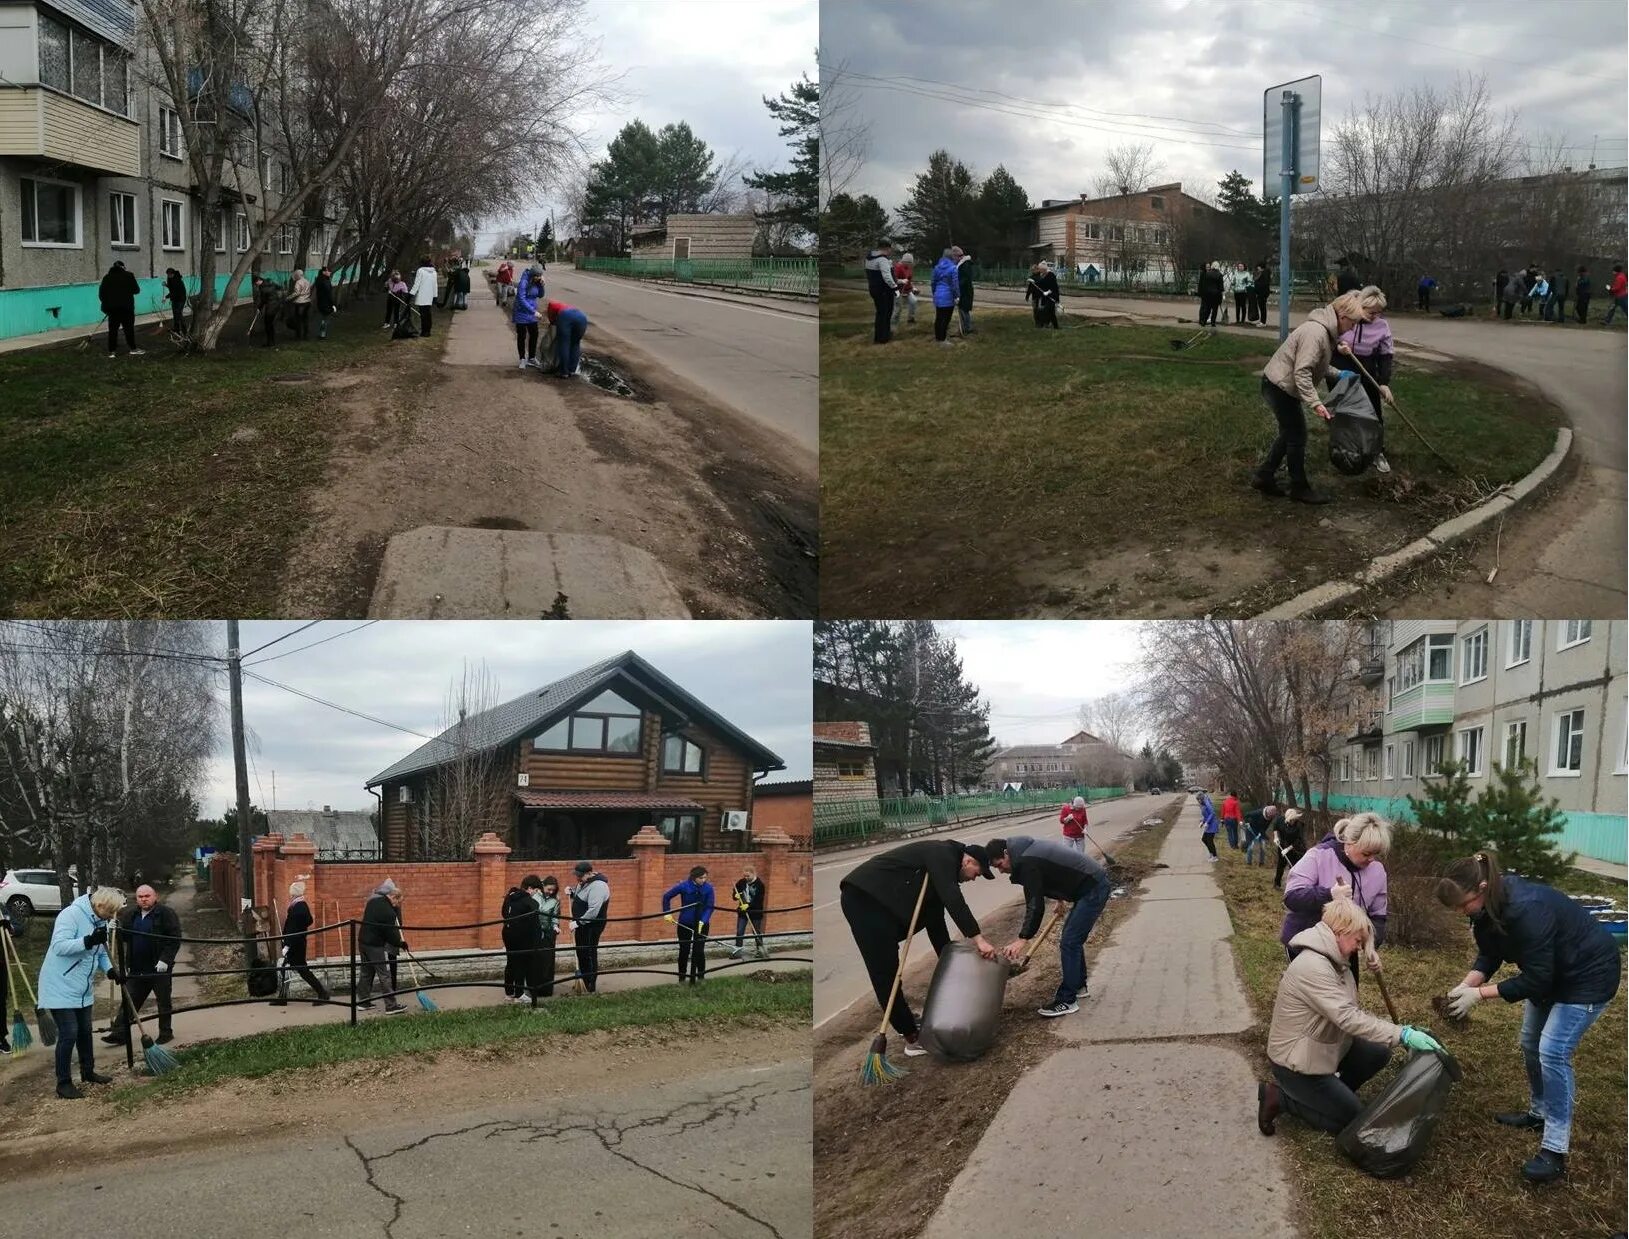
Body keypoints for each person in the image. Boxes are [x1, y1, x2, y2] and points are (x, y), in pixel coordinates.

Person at [1435, 851, 1621, 1183]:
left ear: (1482, 887)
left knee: (1553, 1051)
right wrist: (1464, 985)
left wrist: (1479, 995)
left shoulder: (1526, 909)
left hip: (1587, 976)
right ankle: (1539, 1113)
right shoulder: (1486, 908)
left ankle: (1554, 1151)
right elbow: (1490, 953)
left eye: (1464, 905)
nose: (1463, 912)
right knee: (1530, 1043)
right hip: (1552, 974)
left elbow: (1536, 979)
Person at [1257, 897, 1443, 1138]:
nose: (1359, 947)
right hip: (1296, 1064)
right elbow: (1348, 1018)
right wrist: (1401, 1034)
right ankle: (1280, 1097)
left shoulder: (1333, 959)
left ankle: (1331, 1096)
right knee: (1353, 1122)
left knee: (1378, 1051)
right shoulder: (1314, 966)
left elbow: (1349, 1011)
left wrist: (1370, 950)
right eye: (1358, 940)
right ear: (1341, 931)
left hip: (1324, 1047)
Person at [838, 839, 998, 1055]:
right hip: (865, 899)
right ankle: (911, 1036)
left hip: (883, 903)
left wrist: (954, 966)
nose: (975, 877)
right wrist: (978, 938)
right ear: (968, 861)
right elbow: (953, 899)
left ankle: (907, 1022)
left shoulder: (936, 874)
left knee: (921, 926)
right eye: (977, 872)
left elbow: (937, 926)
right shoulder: (942, 854)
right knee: (885, 971)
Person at [1252, 287, 1382, 504]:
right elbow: (1302, 371)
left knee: (1289, 434)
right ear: (1342, 316)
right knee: (1297, 436)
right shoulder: (1316, 333)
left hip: (1281, 385)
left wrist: (1340, 374)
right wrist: (1315, 403)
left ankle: (1263, 476)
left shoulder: (1326, 332)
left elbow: (1317, 365)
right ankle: (1299, 488)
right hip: (1279, 386)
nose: (1353, 328)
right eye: (1353, 323)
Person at [988, 835, 1110, 1018]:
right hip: (1088, 884)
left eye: (999, 864)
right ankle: (1078, 986)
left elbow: (1035, 903)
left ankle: (1067, 1000)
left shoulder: (1026, 861)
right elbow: (1050, 871)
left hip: (1092, 887)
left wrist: (1023, 939)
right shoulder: (1025, 851)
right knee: (1071, 940)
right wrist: (1060, 898)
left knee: (1070, 942)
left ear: (1006, 853)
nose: (1001, 870)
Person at [39, 887, 124, 1099]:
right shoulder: (71, 915)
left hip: (82, 987)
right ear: (100, 905)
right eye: (110, 911)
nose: (112, 916)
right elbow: (59, 946)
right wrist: (87, 940)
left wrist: (111, 970)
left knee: (85, 1030)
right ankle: (64, 1082)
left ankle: (88, 1072)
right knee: (69, 1032)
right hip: (60, 984)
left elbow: (101, 949)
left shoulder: (99, 919)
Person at [1282, 813, 1390, 979]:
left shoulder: (1377, 872)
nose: (1371, 860)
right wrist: (1329, 894)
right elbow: (1292, 897)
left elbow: (1377, 917)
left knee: (1347, 996)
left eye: (1376, 854)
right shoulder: (1319, 855)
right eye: (1366, 854)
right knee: (1318, 1000)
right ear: (1349, 842)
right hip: (1308, 945)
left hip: (1346, 948)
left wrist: (1370, 946)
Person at [105, 884, 181, 1046]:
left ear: (155, 897)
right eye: (140, 897)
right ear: (137, 899)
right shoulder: (131, 914)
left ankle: (166, 1033)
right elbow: (124, 937)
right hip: (137, 968)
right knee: (130, 1001)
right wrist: (115, 929)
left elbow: (174, 939)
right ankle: (120, 1033)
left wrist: (165, 960)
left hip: (158, 968)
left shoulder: (166, 914)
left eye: (147, 896)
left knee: (163, 1001)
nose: (144, 899)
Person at [1334, 286, 1396, 474]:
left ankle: (1376, 451)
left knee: (1373, 411)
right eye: (1371, 312)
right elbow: (1330, 337)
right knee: (1344, 410)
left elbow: (1386, 355)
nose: (1375, 316)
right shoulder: (1346, 317)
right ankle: (1345, 449)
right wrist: (1339, 347)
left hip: (1367, 369)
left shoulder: (1382, 326)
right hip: (1342, 365)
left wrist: (1384, 382)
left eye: (1379, 313)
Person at [274, 880, 331, 1003]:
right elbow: (309, 920)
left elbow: (294, 928)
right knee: (286, 967)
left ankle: (322, 993)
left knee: (303, 970)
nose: (290, 895)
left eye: (291, 892)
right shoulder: (300, 904)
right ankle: (282, 997)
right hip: (297, 942)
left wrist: (287, 945)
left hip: (295, 944)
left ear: (294, 893)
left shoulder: (298, 907)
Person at [358, 879, 407, 1014]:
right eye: (398, 902)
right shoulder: (388, 912)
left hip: (363, 941)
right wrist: (401, 944)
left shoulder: (372, 901)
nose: (397, 905)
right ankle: (391, 1006)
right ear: (393, 897)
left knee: (366, 972)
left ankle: (363, 1001)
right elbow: (391, 935)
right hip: (374, 945)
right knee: (384, 974)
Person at [661, 865, 716, 984]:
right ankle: (682, 978)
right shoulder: (684, 886)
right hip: (685, 922)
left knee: (699, 950)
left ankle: (700, 976)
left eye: (705, 877)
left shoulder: (709, 888)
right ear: (694, 877)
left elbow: (710, 906)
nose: (703, 880)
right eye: (701, 878)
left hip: (702, 923)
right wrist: (667, 913)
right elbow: (666, 897)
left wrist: (704, 920)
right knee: (684, 950)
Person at [568, 861, 610, 992]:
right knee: (582, 952)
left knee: (589, 953)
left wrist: (578, 922)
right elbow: (582, 897)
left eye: (580, 875)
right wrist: (572, 893)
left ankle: (590, 984)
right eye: (577, 875)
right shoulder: (585, 882)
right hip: (583, 926)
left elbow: (593, 910)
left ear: (589, 873)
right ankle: (584, 982)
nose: (578, 878)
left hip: (591, 926)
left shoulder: (598, 886)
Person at [501, 876, 543, 1002]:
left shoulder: (509, 896)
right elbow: (535, 913)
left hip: (508, 933)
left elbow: (503, 913)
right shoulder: (529, 901)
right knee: (521, 963)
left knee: (511, 962)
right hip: (523, 936)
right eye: (535, 890)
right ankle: (519, 994)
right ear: (530, 888)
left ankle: (509, 993)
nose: (535, 893)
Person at [100, 260, 143, 358]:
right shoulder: (129, 275)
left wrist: (107, 306)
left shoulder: (107, 278)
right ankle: (133, 349)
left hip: (112, 310)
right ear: (123, 267)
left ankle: (112, 352)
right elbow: (136, 290)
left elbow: (102, 294)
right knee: (129, 329)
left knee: (113, 330)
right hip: (126, 308)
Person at [530, 876, 560, 1001]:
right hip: (534, 932)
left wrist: (555, 926)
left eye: (553, 890)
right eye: (549, 889)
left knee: (547, 961)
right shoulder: (535, 896)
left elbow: (555, 916)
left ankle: (546, 989)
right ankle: (533, 988)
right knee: (535, 960)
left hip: (548, 933)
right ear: (543, 887)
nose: (551, 892)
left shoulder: (555, 901)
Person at [730, 865, 768, 961]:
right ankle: (737, 951)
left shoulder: (760, 885)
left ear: (753, 874)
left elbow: (759, 899)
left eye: (748, 876)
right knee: (739, 931)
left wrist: (749, 905)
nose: (746, 878)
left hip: (755, 911)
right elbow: (734, 893)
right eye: (745, 876)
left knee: (756, 932)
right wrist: (736, 895)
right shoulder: (741, 882)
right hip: (743, 912)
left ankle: (760, 951)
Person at [864, 237, 897, 344]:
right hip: (884, 291)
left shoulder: (869, 258)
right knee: (886, 313)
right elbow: (887, 277)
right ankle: (883, 337)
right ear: (887, 248)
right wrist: (894, 286)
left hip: (874, 289)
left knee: (880, 313)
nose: (891, 250)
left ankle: (880, 335)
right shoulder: (882, 260)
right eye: (890, 248)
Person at [545, 300, 589, 377]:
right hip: (582, 318)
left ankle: (563, 372)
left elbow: (552, 320)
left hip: (566, 316)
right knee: (575, 344)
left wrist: (553, 325)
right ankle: (572, 370)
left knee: (564, 344)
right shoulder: (566, 306)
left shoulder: (551, 305)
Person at [512, 265, 544, 370]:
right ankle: (522, 359)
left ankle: (532, 358)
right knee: (522, 336)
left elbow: (540, 295)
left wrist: (542, 285)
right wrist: (534, 312)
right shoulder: (523, 282)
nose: (539, 278)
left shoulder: (536, 282)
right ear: (532, 275)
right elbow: (521, 299)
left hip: (531, 313)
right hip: (521, 312)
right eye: (538, 276)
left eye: (540, 276)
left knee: (534, 334)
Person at [1270, 808, 1309, 891]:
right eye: (1291, 820)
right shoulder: (1280, 820)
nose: (1292, 822)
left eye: (1294, 820)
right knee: (1281, 864)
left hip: (1295, 849)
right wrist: (1276, 837)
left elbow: (1299, 840)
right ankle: (1277, 884)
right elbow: (1275, 827)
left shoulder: (1299, 826)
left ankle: (1294, 887)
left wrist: (1288, 849)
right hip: (1282, 845)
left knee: (1294, 867)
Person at [930, 248, 960, 349]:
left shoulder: (937, 267)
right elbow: (955, 285)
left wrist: (935, 293)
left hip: (938, 295)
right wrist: (957, 296)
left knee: (939, 317)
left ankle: (938, 337)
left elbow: (933, 282)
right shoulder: (953, 268)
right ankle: (943, 340)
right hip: (948, 296)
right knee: (946, 318)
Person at [409, 256, 438, 337]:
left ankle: (424, 331)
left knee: (423, 315)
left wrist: (411, 294)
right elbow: (435, 285)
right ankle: (428, 331)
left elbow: (416, 284)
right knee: (428, 314)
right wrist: (435, 296)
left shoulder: (420, 271)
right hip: (430, 296)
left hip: (422, 296)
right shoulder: (434, 272)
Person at [1026, 263, 1061, 329]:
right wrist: (1033, 282)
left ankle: (1043, 325)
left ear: (1043, 269)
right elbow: (1041, 283)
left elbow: (1053, 286)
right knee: (1051, 313)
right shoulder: (1044, 275)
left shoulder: (1051, 275)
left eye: (1040, 269)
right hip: (1047, 297)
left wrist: (1048, 292)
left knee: (1045, 311)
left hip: (1052, 297)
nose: (1040, 271)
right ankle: (1055, 327)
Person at [254, 275, 282, 348]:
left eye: (256, 283)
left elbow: (263, 300)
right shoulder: (270, 283)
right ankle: (271, 341)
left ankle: (270, 342)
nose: (256, 285)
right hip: (276, 305)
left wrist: (259, 308)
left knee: (268, 325)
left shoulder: (263, 288)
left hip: (271, 307)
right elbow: (279, 287)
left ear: (259, 281)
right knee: (270, 324)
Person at [891, 250, 917, 328]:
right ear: (904, 261)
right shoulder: (898, 267)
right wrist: (901, 281)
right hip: (898, 290)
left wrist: (913, 288)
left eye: (911, 263)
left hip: (907, 290)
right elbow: (893, 279)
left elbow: (909, 280)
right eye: (909, 263)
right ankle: (893, 325)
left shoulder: (909, 268)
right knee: (898, 308)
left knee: (914, 301)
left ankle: (910, 318)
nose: (910, 265)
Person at [1196, 262, 1224, 332]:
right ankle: (1213, 322)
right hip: (1216, 295)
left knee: (1207, 308)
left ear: (1212, 266)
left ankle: (1204, 321)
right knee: (1215, 309)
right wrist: (1222, 295)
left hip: (1208, 294)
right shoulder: (1220, 275)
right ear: (1218, 267)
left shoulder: (1207, 274)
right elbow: (1221, 287)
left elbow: (1204, 284)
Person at [953, 246, 975, 335]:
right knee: (962, 309)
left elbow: (965, 279)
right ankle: (964, 327)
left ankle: (967, 328)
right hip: (963, 291)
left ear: (958, 256)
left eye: (954, 257)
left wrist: (957, 285)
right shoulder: (962, 264)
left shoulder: (965, 265)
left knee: (964, 310)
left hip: (965, 291)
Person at [288, 268, 313, 340]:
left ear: (298, 275)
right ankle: (306, 335)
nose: (295, 277)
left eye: (295, 275)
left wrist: (288, 298)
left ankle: (298, 336)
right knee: (305, 319)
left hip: (300, 303)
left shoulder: (298, 282)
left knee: (298, 320)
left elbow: (297, 293)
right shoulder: (307, 281)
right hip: (307, 302)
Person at [164, 267, 188, 336]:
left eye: (170, 274)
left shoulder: (177, 280)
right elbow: (171, 288)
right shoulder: (170, 279)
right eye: (168, 275)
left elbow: (175, 291)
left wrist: (166, 297)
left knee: (179, 314)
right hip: (175, 299)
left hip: (181, 299)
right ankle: (176, 329)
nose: (168, 276)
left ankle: (184, 331)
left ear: (173, 274)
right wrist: (166, 285)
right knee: (175, 314)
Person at [314, 267, 336, 340]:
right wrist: (332, 304)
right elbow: (328, 294)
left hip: (321, 302)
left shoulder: (319, 280)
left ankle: (321, 333)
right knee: (325, 319)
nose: (330, 272)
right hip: (325, 303)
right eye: (328, 271)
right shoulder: (325, 281)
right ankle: (322, 334)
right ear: (323, 272)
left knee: (323, 318)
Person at [1198, 790, 1220, 861]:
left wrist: (1207, 822)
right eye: (1197, 799)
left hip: (1212, 824)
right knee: (1204, 839)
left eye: (1199, 799)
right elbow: (1206, 815)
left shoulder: (1207, 803)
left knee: (1210, 840)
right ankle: (1211, 853)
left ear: (1201, 798)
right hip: (1208, 825)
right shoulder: (1203, 804)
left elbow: (1212, 813)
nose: (1198, 801)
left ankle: (1215, 856)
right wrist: (1202, 822)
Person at [1253, 261, 1272, 325]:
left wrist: (1256, 285)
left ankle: (1263, 322)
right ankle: (1262, 321)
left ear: (1261, 267)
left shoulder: (1264, 274)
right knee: (1262, 307)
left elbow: (1264, 283)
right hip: (1261, 292)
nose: (1257, 269)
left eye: (1258, 267)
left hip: (1263, 293)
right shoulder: (1263, 273)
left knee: (1262, 307)